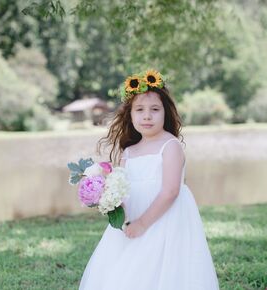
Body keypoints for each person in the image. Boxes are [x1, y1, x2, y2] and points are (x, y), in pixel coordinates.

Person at [79, 69, 219, 290]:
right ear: (130, 115)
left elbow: (171, 190)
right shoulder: (129, 151)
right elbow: (121, 188)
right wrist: (112, 203)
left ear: (166, 113)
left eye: (155, 109)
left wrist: (144, 222)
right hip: (133, 219)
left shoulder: (170, 145)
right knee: (128, 270)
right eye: (140, 110)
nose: (147, 116)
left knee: (161, 267)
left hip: (165, 219)